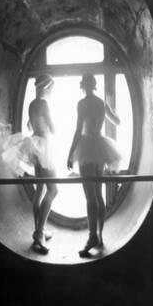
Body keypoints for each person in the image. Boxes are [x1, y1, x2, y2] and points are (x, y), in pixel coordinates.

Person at [67, 73, 122, 258]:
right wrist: (109, 107)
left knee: (90, 197)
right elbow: (118, 121)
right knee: (98, 195)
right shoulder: (100, 103)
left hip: (86, 147)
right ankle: (99, 235)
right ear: (95, 85)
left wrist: (70, 154)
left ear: (83, 86)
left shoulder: (82, 103)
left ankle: (92, 238)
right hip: (100, 147)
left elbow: (77, 130)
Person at [27, 74, 58, 254]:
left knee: (39, 190)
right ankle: (39, 233)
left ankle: (39, 230)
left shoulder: (32, 103)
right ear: (46, 87)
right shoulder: (44, 103)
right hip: (44, 144)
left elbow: (29, 125)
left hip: (34, 144)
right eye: (51, 88)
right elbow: (53, 128)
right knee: (53, 190)